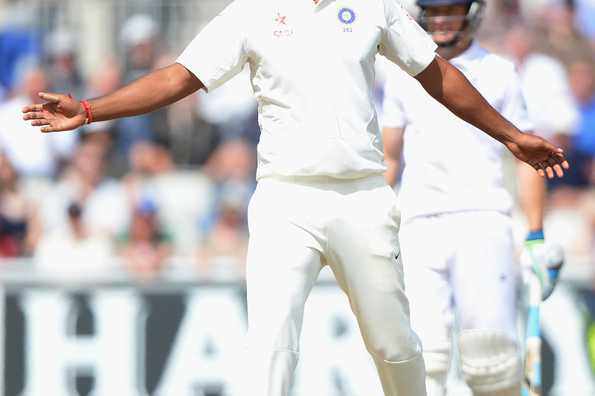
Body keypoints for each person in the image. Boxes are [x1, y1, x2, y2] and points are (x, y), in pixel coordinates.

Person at [22, 0, 568, 394]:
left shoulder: (374, 7)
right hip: (286, 198)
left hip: (360, 197)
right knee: (271, 341)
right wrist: (91, 110)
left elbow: (437, 74)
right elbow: (178, 79)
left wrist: (511, 135)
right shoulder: (250, 13)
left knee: (394, 346)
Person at [381, 1, 562, 395]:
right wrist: (374, 222)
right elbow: (389, 159)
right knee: (424, 355)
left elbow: (525, 161)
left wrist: (534, 235)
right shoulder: (401, 75)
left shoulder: (500, 72)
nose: (442, 19)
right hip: (418, 221)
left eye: (452, 10)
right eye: (435, 10)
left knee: (491, 362)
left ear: (473, 12)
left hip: (482, 218)